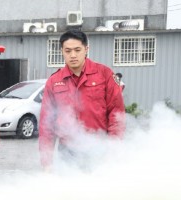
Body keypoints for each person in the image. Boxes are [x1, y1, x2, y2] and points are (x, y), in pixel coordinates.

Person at [39, 30, 125, 170]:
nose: (73, 55)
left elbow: (116, 114)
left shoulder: (104, 74)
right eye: (68, 51)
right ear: (62, 51)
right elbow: (46, 124)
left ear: (86, 49)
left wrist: (114, 149)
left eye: (77, 50)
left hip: (99, 148)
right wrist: (46, 161)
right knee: (70, 190)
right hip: (67, 151)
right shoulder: (54, 81)